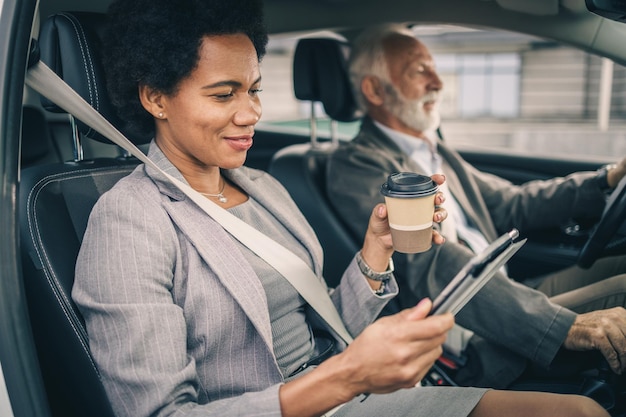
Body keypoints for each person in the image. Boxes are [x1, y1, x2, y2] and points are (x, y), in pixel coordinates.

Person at [72, 1, 609, 416]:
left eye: (255, 90)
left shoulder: (261, 185)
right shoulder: (129, 223)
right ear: (155, 98)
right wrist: (347, 376)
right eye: (223, 94)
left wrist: (376, 255)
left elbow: (321, 329)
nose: (250, 114)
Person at [326, 23, 626, 389]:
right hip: (471, 335)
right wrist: (562, 326)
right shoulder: (360, 164)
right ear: (374, 89)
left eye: (433, 68)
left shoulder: (433, 151)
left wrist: (607, 179)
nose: (437, 82)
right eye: (419, 70)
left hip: (507, 297)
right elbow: (428, 258)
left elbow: (511, 203)